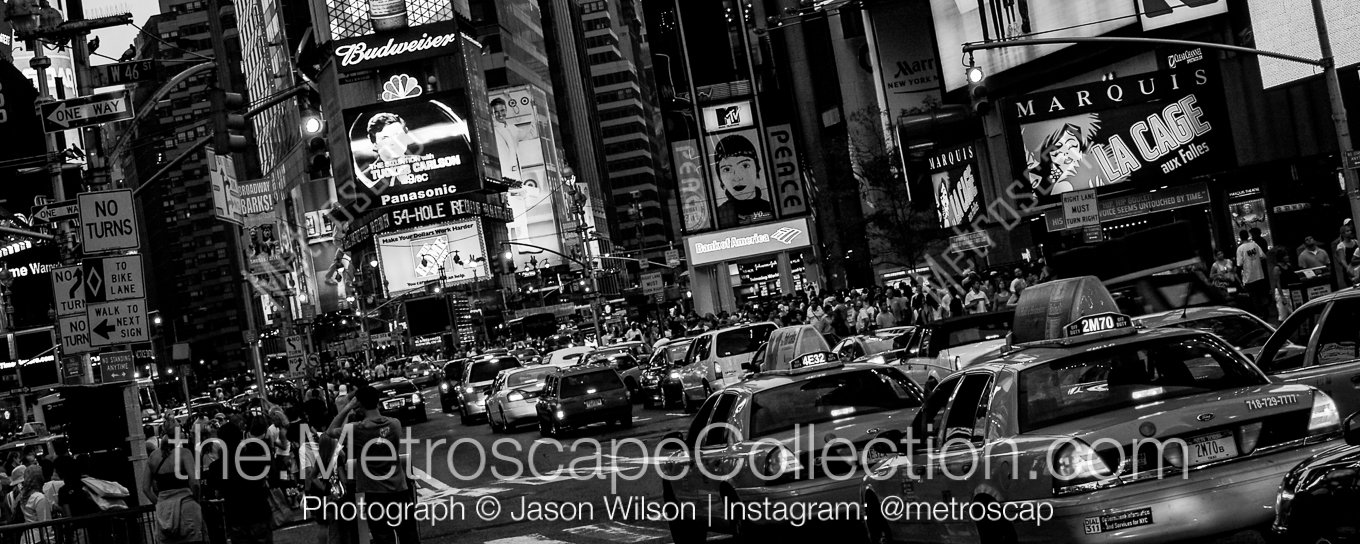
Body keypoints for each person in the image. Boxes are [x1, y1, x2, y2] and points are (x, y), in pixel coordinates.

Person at [326, 387, 418, 544]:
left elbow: (330, 431)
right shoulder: (395, 424)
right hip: (399, 489)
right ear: (378, 401)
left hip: (374, 493)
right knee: (408, 536)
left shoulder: (356, 429)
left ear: (359, 405)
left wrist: (348, 407)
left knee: (383, 537)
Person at [145, 422, 204, 544]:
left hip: (164, 511)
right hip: (186, 506)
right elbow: (195, 483)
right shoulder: (184, 453)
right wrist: (196, 500)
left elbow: (146, 488)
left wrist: (159, 503)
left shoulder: (153, 457)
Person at [711, 134, 774, 226]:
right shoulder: (717, 217)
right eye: (727, 169)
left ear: (757, 168)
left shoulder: (773, 208)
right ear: (720, 177)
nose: (737, 177)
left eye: (745, 166)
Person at [1237, 230, 1269, 319]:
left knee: (1254, 296)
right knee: (1262, 294)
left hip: (1249, 276)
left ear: (1240, 237)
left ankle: (1258, 314)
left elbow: (1239, 263)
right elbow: (1263, 256)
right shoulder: (1255, 245)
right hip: (1259, 274)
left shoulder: (1240, 248)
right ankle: (1265, 311)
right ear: (1248, 236)